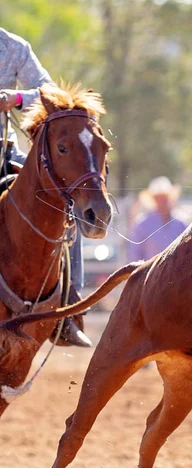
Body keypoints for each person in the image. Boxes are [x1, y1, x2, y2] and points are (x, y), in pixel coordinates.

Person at [0, 27, 90, 346]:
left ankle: (66, 306)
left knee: (61, 200)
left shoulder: (14, 47)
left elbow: (51, 95)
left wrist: (16, 98)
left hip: (4, 150)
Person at [127, 177, 188, 262]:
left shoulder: (181, 222)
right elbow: (134, 254)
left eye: (164, 197)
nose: (162, 201)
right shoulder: (142, 223)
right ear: (154, 199)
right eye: (158, 197)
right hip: (150, 272)